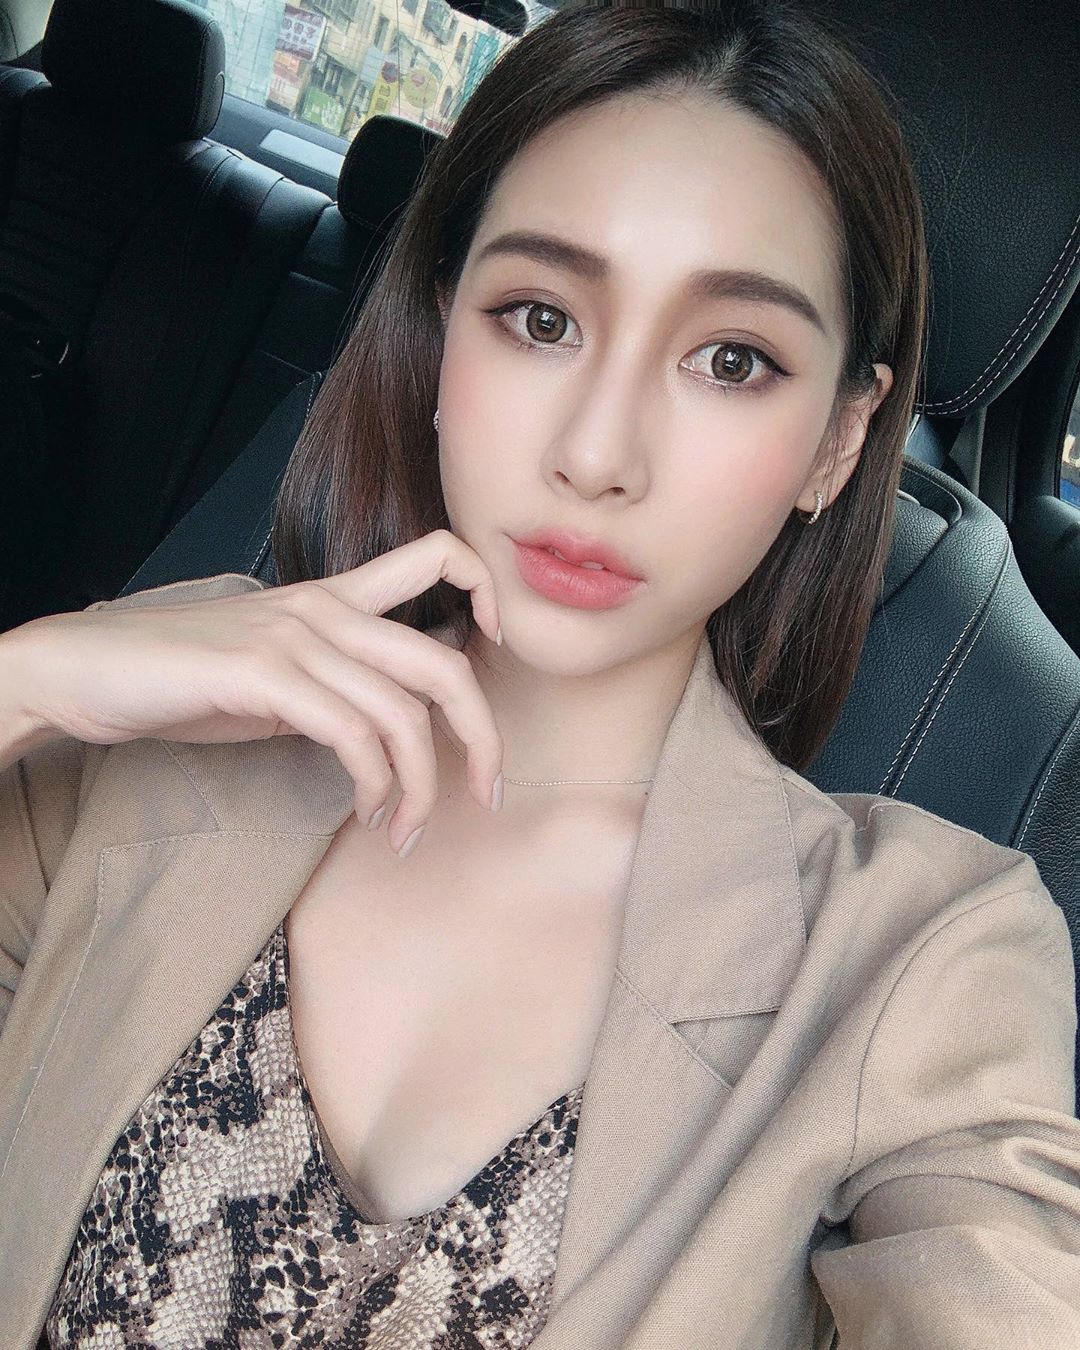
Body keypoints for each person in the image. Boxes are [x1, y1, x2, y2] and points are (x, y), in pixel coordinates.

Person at [1, 2, 1078, 1347]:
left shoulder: (923, 956)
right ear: (441, 338)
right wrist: (24, 683)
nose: (597, 454)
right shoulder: (160, 712)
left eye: (733, 360)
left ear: (836, 444)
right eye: (540, 318)